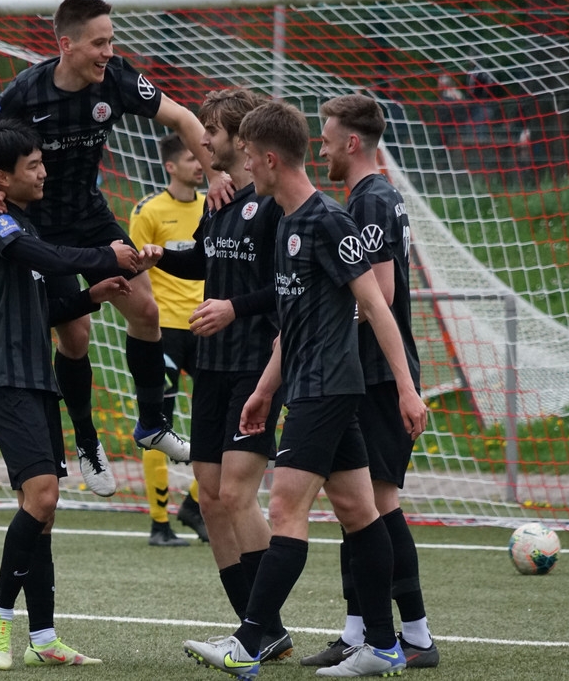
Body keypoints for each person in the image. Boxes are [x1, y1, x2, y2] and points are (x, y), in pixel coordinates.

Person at [182, 100, 427, 679]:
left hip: (328, 389)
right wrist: (265, 389)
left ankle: (249, 643)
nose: (243, 168)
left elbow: (376, 306)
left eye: (249, 156)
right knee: (359, 511)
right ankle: (384, 645)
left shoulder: (329, 221)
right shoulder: (288, 224)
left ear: (269, 159)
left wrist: (406, 388)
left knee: (285, 508)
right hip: (307, 386)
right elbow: (291, 326)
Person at [0, 0, 233, 498]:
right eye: (99, 43)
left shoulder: (118, 79)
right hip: (40, 227)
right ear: (66, 45)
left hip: (90, 216)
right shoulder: (26, 90)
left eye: (112, 41)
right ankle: (87, 441)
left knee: (146, 311)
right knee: (76, 335)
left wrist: (217, 174)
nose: (109, 52)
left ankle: (151, 424)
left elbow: (183, 119)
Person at [0, 121, 140, 670]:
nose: (44, 172)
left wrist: (95, 295)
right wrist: (107, 256)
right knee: (41, 498)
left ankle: (42, 638)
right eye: (34, 165)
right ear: (3, 177)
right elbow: (52, 259)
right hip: (6, 379)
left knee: (42, 513)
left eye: (43, 162)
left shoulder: (23, 222)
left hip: (38, 380)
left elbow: (46, 309)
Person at [147, 88, 291, 661]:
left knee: (236, 494)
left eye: (211, 130)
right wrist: (157, 255)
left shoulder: (274, 203)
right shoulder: (220, 199)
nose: (202, 139)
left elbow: (286, 287)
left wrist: (235, 308)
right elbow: (204, 261)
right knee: (209, 499)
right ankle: (257, 628)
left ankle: (259, 630)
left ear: (240, 136)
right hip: (210, 365)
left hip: (254, 367)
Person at [302, 94, 439, 669]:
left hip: (378, 373)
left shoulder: (372, 200)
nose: (322, 150)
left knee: (377, 504)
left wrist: (325, 320)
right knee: (356, 504)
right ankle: (361, 631)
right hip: (369, 370)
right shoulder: (374, 196)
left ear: (352, 142)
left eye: (327, 139)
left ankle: (416, 636)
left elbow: (378, 294)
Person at [129, 132, 209, 547]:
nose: (200, 165)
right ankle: (159, 524)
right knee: (157, 424)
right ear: (171, 166)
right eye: (191, 158)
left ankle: (194, 504)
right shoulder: (147, 211)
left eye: (201, 158)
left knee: (226, 419)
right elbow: (134, 271)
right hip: (165, 334)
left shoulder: (214, 205)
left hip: (207, 326)